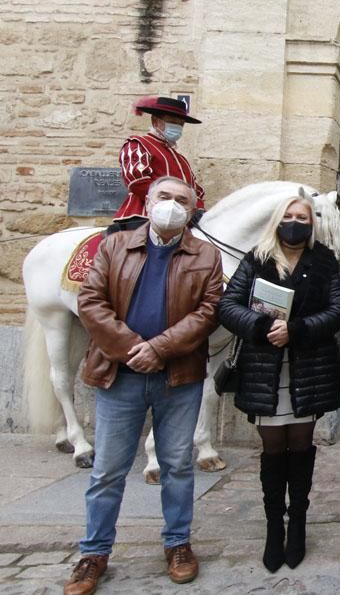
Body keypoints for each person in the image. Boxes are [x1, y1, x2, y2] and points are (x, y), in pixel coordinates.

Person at [66, 176, 222, 595]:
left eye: (181, 201)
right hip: (121, 376)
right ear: (148, 202)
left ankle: (177, 544)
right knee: (107, 472)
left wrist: (161, 348)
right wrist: (134, 348)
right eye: (164, 197)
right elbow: (91, 301)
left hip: (178, 378)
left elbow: (209, 311)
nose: (172, 205)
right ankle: (94, 553)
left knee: (177, 466)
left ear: (192, 211)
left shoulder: (205, 255)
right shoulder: (115, 246)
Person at [217, 194, 340, 572]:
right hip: (265, 369)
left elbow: (338, 309)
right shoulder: (256, 258)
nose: (296, 222)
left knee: (301, 446)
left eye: (302, 217)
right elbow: (228, 306)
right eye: (289, 216)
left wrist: (297, 330)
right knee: (273, 450)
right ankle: (275, 527)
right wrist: (261, 327)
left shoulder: (322, 259)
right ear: (278, 219)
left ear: (312, 223)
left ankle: (299, 524)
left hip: (307, 369)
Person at [110, 96, 205, 234]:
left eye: (181, 124)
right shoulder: (138, 144)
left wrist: (196, 210)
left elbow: (196, 191)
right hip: (144, 216)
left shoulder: (181, 159)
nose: (177, 127)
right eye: (172, 122)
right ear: (156, 121)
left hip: (180, 220)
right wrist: (170, 205)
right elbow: (137, 181)